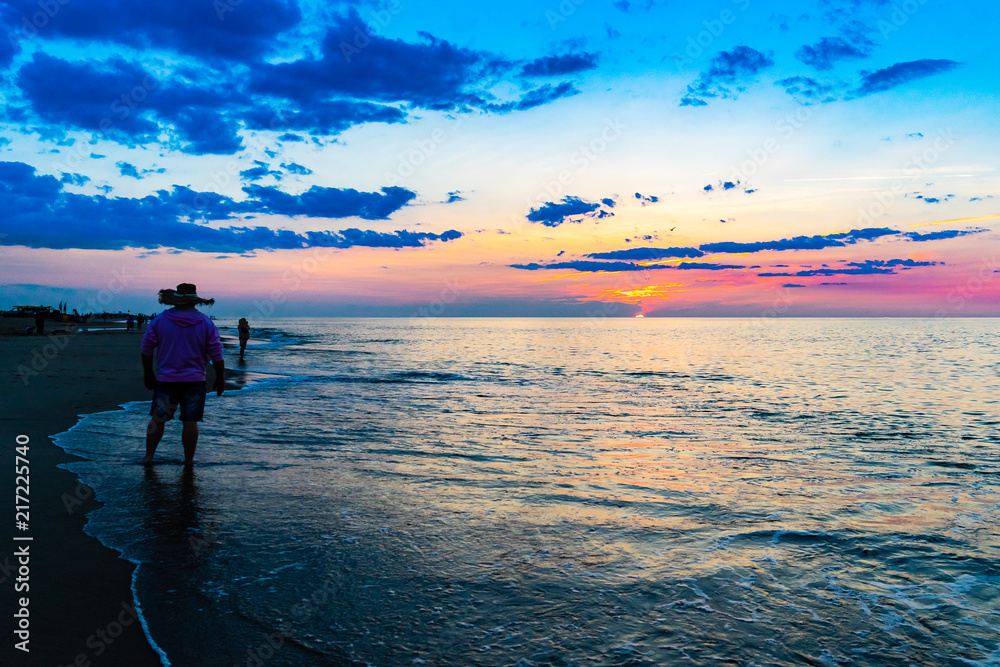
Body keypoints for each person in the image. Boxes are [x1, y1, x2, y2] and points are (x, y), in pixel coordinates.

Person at [140, 283, 225, 465]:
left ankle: (148, 456)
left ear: (176, 300)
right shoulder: (205, 322)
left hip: (166, 379)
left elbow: (147, 347)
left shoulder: (160, 320)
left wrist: (148, 372)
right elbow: (216, 352)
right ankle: (188, 461)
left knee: (158, 419)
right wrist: (220, 377)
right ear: (195, 301)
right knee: (190, 421)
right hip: (194, 380)